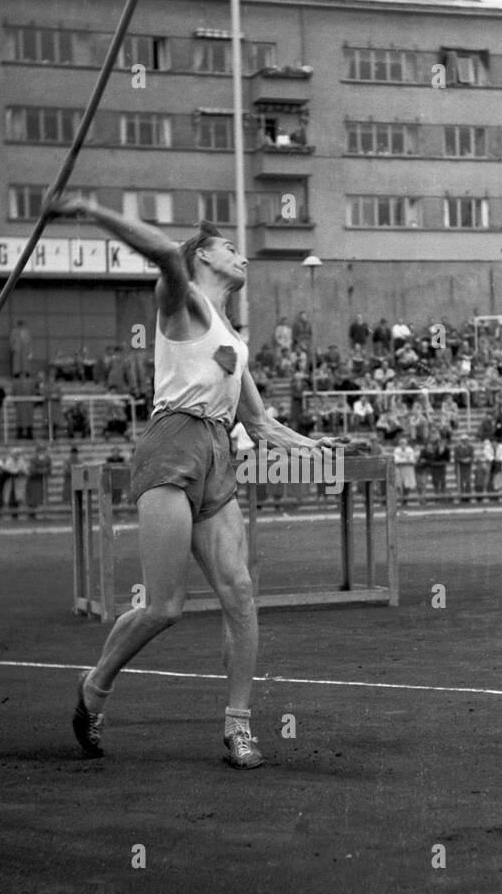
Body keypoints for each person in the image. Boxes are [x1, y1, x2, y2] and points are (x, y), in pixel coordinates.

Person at [48, 197, 333, 767]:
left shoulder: (232, 334)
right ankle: (94, 689)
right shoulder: (183, 303)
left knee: (241, 594)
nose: (240, 254)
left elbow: (256, 422)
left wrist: (310, 447)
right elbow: (159, 250)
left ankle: (238, 726)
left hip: (216, 454)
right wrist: (89, 210)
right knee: (164, 607)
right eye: (229, 247)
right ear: (202, 256)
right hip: (171, 446)